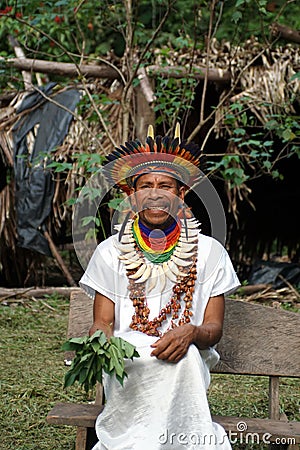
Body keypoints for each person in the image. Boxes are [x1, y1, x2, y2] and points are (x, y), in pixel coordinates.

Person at [79, 124, 240, 450]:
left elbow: (213, 327)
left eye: (165, 185)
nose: (154, 193)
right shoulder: (110, 252)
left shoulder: (210, 252)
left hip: (187, 358)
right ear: (132, 195)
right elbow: (103, 322)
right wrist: (100, 344)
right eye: (145, 186)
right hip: (129, 357)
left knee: (184, 361)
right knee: (136, 353)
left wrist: (191, 333)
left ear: (181, 194)